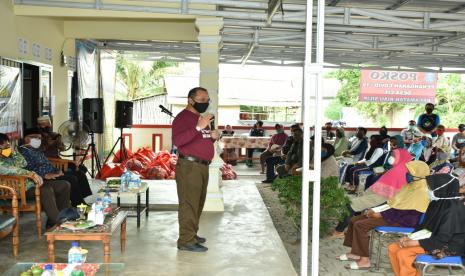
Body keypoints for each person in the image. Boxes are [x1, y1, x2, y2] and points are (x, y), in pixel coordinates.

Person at [388, 172, 465, 276]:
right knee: (393, 247)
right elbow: (423, 226)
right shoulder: (436, 202)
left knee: (404, 253)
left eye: (430, 187)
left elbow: (442, 238)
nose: (428, 190)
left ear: (441, 188)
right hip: (432, 239)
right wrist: (409, 237)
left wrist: (415, 243)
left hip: (450, 245)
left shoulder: (453, 210)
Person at [172, 87, 219, 252]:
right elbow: (178, 141)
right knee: (188, 204)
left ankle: (191, 234)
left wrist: (212, 138)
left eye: (207, 100)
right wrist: (199, 127)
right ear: (190, 100)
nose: (205, 103)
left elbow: (198, 142)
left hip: (201, 166)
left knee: (197, 203)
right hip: (189, 167)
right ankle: (186, 240)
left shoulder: (199, 118)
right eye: (202, 100)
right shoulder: (182, 118)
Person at [0, 133, 71, 227]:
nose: (7, 146)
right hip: (15, 190)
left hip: (29, 184)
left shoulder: (9, 155)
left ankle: (62, 215)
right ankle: (57, 221)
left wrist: (14, 153)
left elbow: (23, 164)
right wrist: (30, 174)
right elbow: (7, 169)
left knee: (64, 185)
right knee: (46, 190)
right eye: (5, 144)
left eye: (7, 143)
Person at [19, 128, 92, 207]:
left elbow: (47, 163)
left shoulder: (36, 150)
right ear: (26, 138)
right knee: (71, 179)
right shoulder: (23, 152)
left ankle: (81, 199)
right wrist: (46, 175)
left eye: (39, 138)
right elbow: (28, 168)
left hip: (52, 172)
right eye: (35, 137)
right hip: (42, 177)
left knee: (79, 174)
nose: (38, 140)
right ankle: (78, 203)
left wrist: (57, 171)